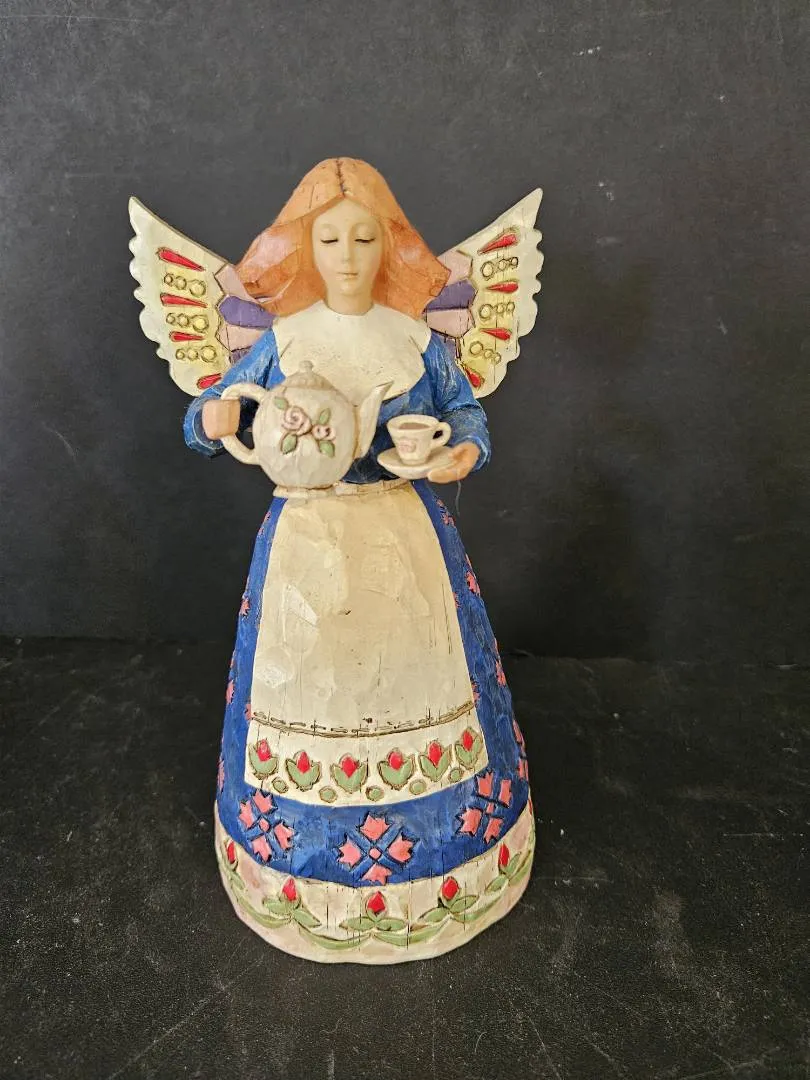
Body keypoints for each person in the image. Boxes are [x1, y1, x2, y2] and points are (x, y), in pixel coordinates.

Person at [184, 158, 534, 963]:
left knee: (420, 673)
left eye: (364, 238)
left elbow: (466, 412)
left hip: (404, 537)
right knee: (309, 684)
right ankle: (296, 874)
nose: (347, 255)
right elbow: (204, 415)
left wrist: (460, 454)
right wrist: (218, 417)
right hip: (306, 544)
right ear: (305, 248)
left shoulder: (415, 340)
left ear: (390, 246)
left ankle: (445, 862)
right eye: (331, 238)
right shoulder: (282, 340)